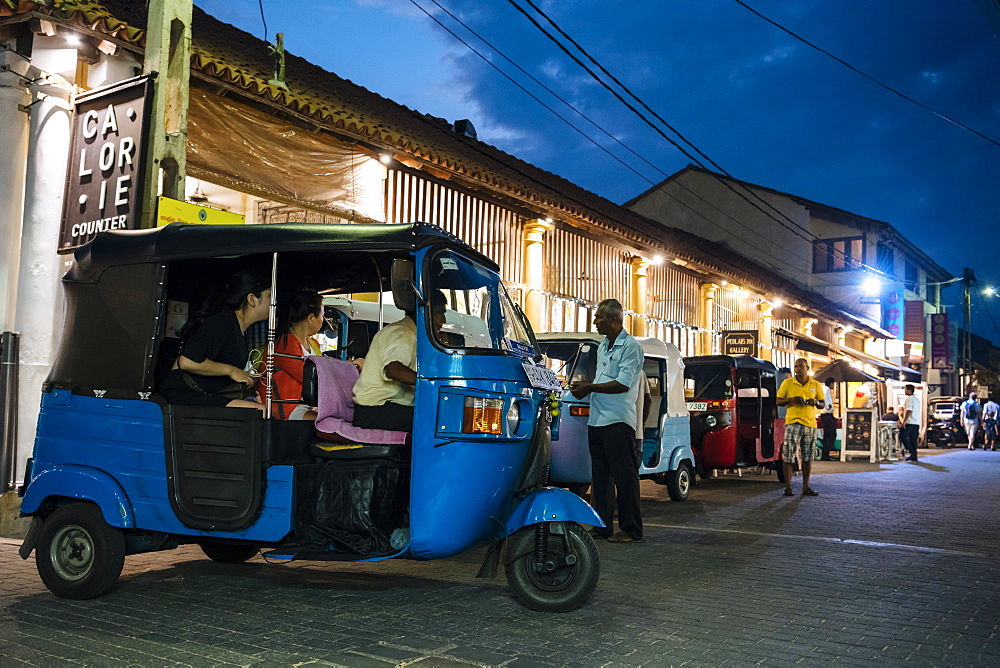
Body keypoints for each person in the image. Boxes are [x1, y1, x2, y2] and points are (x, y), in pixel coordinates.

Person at [570, 299, 645, 543]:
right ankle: (602, 526)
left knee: (624, 477)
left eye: (599, 318)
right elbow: (603, 379)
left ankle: (631, 529)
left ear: (614, 320)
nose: (595, 322)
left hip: (618, 420)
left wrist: (589, 387)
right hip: (598, 420)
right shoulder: (603, 346)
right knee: (600, 477)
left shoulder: (630, 346)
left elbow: (623, 384)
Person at [159, 270, 271, 410]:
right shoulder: (223, 321)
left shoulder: (240, 328)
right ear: (252, 299)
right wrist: (231, 370)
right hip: (182, 393)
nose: (274, 302)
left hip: (204, 393)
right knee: (260, 411)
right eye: (270, 296)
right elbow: (187, 361)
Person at [352, 290, 447, 432]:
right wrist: (429, 381)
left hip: (384, 408)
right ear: (424, 313)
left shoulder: (412, 334)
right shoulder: (403, 333)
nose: (443, 320)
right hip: (375, 411)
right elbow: (393, 369)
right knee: (439, 421)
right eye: (440, 313)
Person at [259, 289, 324, 420]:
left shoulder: (313, 343)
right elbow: (308, 376)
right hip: (288, 407)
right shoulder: (284, 344)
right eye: (322, 314)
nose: (324, 319)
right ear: (311, 318)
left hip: (308, 405)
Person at [776, 357, 825, 496]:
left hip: (810, 423)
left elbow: (822, 403)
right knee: (789, 456)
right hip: (793, 422)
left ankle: (806, 486)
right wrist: (791, 400)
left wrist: (814, 402)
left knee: (807, 456)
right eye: (796, 366)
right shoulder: (787, 383)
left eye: (801, 366)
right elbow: (778, 401)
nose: (798, 369)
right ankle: (788, 486)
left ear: (807, 368)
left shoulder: (815, 384)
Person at [899, 384, 921, 462]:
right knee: (913, 439)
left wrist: (904, 421)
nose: (905, 391)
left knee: (903, 436)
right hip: (916, 422)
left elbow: (909, 410)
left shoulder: (909, 399)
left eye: (905, 390)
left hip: (910, 422)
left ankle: (912, 452)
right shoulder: (917, 400)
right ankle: (914, 456)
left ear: (909, 390)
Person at [819, 377, 837, 460]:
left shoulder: (823, 388)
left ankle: (825, 453)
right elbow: (825, 398)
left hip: (825, 414)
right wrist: (828, 406)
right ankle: (826, 453)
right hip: (827, 413)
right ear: (831, 383)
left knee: (827, 434)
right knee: (832, 434)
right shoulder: (826, 389)